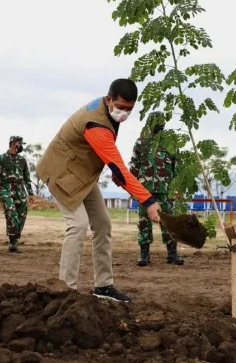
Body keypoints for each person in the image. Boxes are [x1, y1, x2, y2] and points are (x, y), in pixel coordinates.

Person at [36, 78, 161, 303]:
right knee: (78, 224)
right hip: (61, 172)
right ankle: (65, 291)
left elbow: (107, 156)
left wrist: (115, 171)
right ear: (108, 99)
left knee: (103, 224)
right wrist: (148, 201)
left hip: (82, 174)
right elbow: (118, 165)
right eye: (121, 107)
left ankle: (103, 286)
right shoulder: (96, 123)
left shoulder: (107, 112)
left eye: (129, 109)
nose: (123, 113)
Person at [129, 111, 184, 266]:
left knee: (168, 222)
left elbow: (177, 166)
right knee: (143, 222)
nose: (159, 124)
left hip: (166, 190)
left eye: (161, 121)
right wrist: (132, 188)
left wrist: (178, 187)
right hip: (144, 190)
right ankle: (144, 255)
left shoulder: (171, 143)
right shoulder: (141, 142)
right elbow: (134, 166)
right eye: (156, 121)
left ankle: (172, 254)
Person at [0, 136, 34, 253]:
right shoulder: (0, 159)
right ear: (12, 143)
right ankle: (12, 242)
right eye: (19, 144)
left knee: (22, 214)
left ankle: (15, 240)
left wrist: (30, 193)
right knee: (11, 213)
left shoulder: (22, 160)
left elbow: (27, 177)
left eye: (21, 144)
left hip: (20, 191)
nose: (20, 146)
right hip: (6, 190)